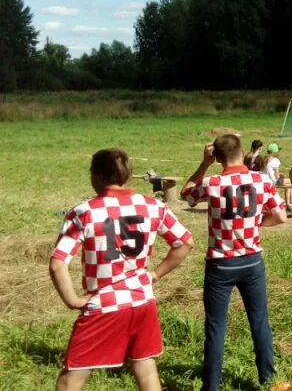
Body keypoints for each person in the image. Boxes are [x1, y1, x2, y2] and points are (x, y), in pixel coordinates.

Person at [50, 149, 194, 391]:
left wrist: (73, 300)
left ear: (98, 176)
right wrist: (155, 274)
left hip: (103, 306)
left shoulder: (84, 212)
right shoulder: (152, 206)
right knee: (145, 369)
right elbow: (185, 243)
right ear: (128, 176)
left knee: (69, 381)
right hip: (143, 303)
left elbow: (57, 264)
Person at [182, 135, 288, 391]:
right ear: (243, 152)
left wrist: (204, 164)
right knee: (259, 321)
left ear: (216, 157)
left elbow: (187, 195)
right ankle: (268, 379)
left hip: (220, 264)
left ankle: (211, 387)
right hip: (251, 262)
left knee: (216, 327)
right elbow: (281, 216)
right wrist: (256, 225)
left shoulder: (212, 182)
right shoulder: (261, 180)